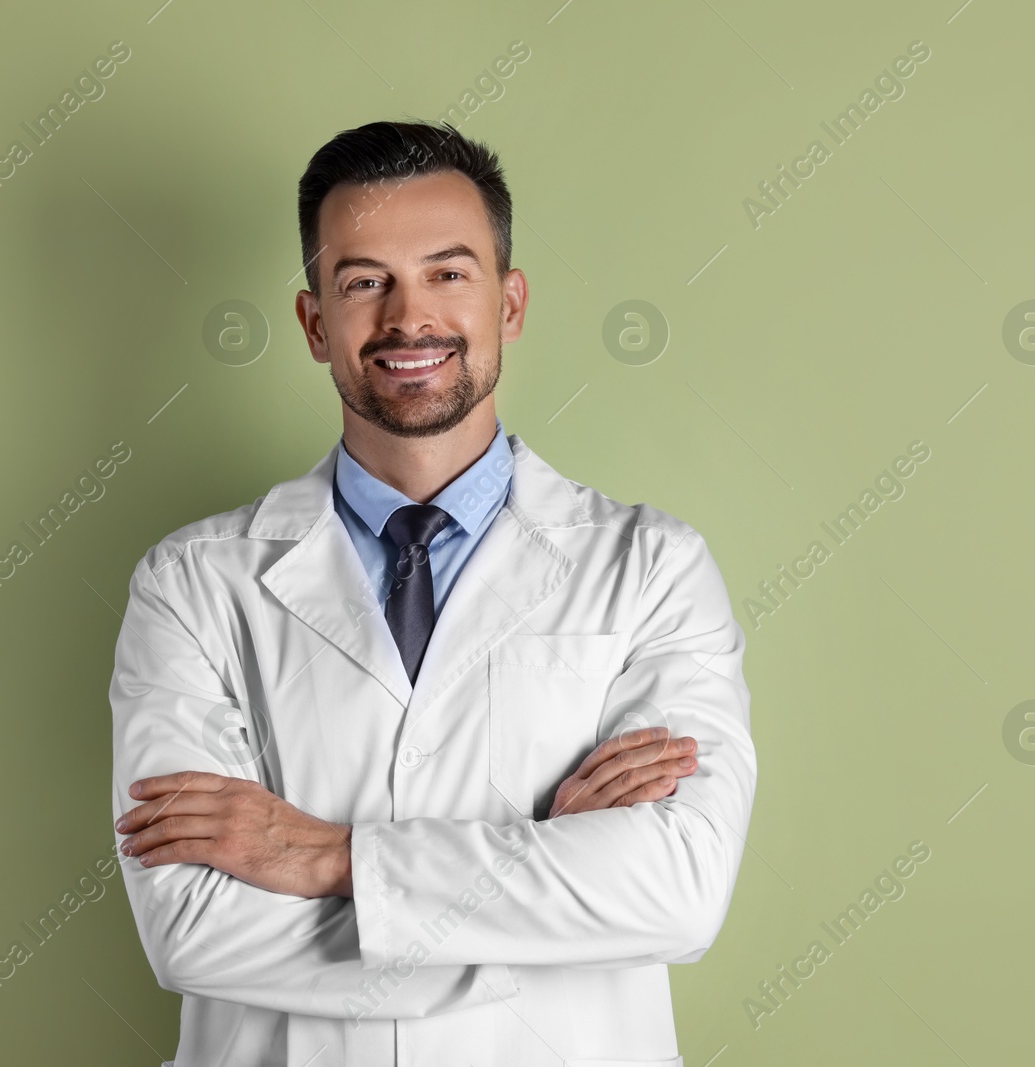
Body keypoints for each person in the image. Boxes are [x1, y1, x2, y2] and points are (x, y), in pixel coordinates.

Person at [109, 119, 757, 1067]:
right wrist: (551, 892)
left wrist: (329, 858)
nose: (409, 318)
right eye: (365, 280)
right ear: (315, 322)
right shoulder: (193, 584)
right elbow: (196, 930)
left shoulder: (652, 568)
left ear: (511, 301)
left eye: (448, 273)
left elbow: (677, 889)